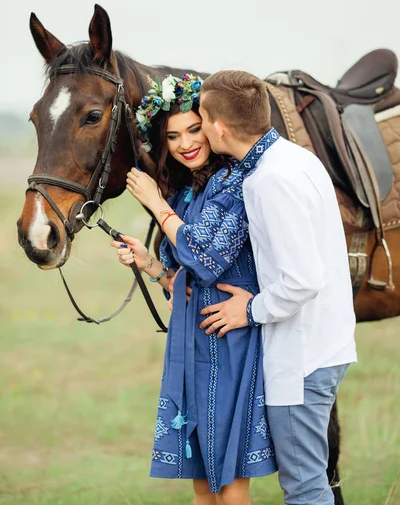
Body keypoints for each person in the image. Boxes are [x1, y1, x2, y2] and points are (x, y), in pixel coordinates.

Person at [111, 73, 277, 504]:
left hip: (230, 343)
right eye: (172, 136)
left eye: (193, 129)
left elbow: (206, 259)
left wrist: (155, 203)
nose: (185, 142)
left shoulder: (234, 183)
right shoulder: (185, 194)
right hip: (192, 344)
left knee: (229, 481)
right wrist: (150, 264)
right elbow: (181, 282)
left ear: (210, 126)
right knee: (202, 483)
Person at [197, 70, 357, 505]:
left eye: (201, 117)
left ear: (220, 128)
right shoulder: (294, 158)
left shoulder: (269, 180)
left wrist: (247, 311)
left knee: (304, 488)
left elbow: (302, 280)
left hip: (302, 359)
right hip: (324, 346)